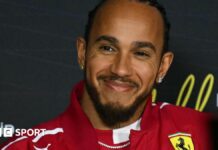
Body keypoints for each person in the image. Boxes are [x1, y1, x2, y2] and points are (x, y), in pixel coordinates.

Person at [0, 0, 212, 149]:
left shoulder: (204, 135)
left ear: (163, 66)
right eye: (108, 48)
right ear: (82, 53)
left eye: (140, 53)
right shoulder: (26, 147)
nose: (120, 69)